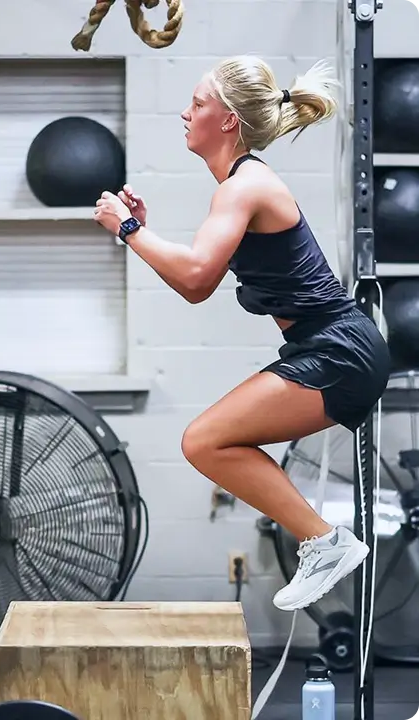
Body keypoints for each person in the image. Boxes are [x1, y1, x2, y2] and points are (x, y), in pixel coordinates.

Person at [93, 55, 391, 612]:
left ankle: (324, 542)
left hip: (340, 350)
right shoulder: (239, 185)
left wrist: (128, 229)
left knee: (205, 440)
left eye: (198, 104)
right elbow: (196, 266)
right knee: (208, 441)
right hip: (331, 347)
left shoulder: (244, 186)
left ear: (228, 120)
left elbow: (196, 280)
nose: (185, 113)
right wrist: (144, 231)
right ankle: (321, 540)